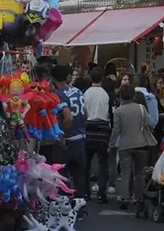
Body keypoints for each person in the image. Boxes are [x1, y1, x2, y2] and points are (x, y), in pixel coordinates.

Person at [109, 84, 156, 211]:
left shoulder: (119, 111)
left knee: (125, 172)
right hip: (141, 144)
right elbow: (151, 123)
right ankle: (139, 197)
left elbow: (116, 130)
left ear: (120, 96)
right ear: (133, 95)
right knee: (140, 172)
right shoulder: (141, 108)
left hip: (125, 145)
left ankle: (124, 197)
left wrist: (111, 144)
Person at [51, 64, 88, 200]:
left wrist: (63, 135)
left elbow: (68, 117)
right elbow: (85, 114)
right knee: (79, 174)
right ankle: (80, 204)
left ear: (53, 78)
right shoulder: (78, 91)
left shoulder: (58, 95)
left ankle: (65, 204)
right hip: (80, 138)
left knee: (62, 173)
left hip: (67, 139)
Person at [84, 67, 112, 204]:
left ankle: (86, 192)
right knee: (103, 163)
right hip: (102, 129)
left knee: (86, 163)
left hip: (87, 128)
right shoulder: (106, 94)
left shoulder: (86, 93)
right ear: (102, 79)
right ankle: (102, 193)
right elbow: (110, 114)